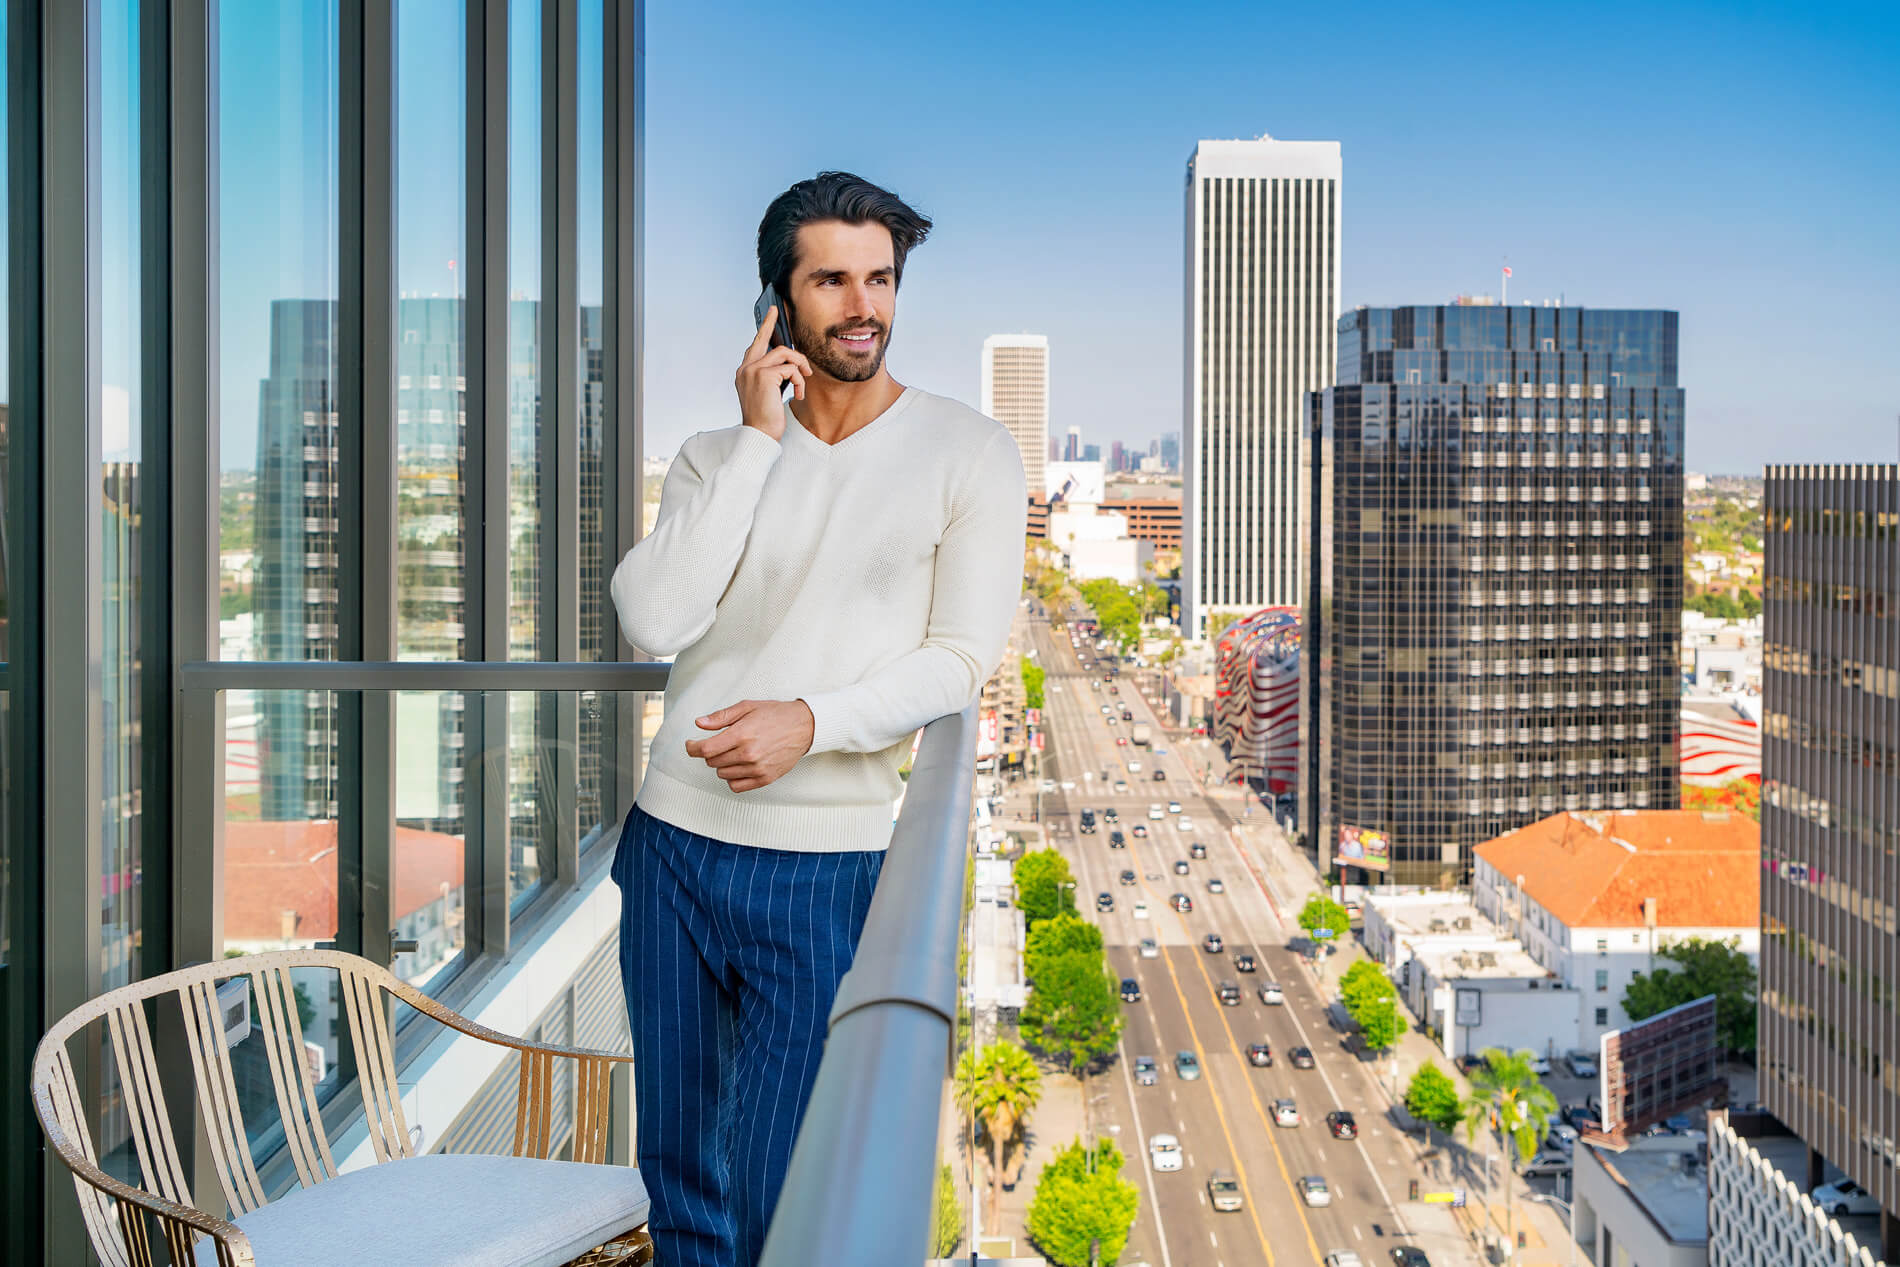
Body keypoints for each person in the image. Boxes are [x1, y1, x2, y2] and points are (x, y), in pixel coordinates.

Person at [607, 171, 1026, 1266]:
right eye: (831, 278)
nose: (863, 305)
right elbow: (651, 617)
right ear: (777, 305)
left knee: (781, 1179)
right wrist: (756, 438)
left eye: (880, 277)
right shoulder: (715, 457)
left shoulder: (969, 451)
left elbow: (961, 658)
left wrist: (811, 718)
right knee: (682, 1172)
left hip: (826, 864)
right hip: (671, 850)